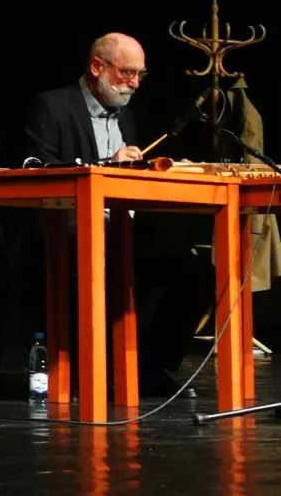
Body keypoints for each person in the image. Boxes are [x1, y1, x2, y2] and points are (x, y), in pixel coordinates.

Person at [22, 32, 214, 395]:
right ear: (97, 66)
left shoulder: (125, 117)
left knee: (198, 272)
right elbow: (38, 168)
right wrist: (105, 165)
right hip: (68, 232)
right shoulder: (53, 107)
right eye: (127, 73)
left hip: (119, 233)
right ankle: (94, 364)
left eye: (140, 75)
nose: (135, 84)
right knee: (118, 261)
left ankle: (146, 366)